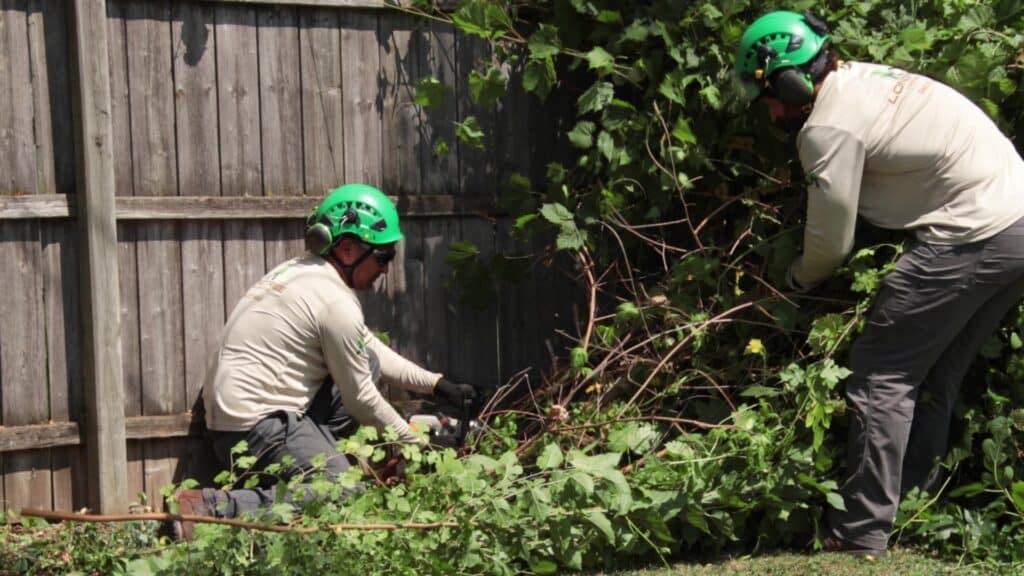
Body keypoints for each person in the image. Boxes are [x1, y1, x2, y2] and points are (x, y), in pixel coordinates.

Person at [735, 11, 1024, 558]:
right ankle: (913, 506)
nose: (770, 111)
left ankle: (860, 531)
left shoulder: (827, 127)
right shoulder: (862, 79)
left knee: (879, 376)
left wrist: (795, 279)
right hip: (1017, 222)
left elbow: (831, 243)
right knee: (936, 371)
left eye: (769, 95)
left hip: (972, 233)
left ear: (792, 82)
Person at [169, 183, 479, 540]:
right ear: (348, 249)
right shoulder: (334, 301)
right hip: (256, 429)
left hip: (247, 421)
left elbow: (368, 349)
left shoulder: (302, 273)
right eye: (383, 257)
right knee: (342, 493)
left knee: (367, 365)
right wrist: (418, 446)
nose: (386, 270)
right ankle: (208, 508)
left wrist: (437, 383)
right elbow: (361, 398)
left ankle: (329, 473)